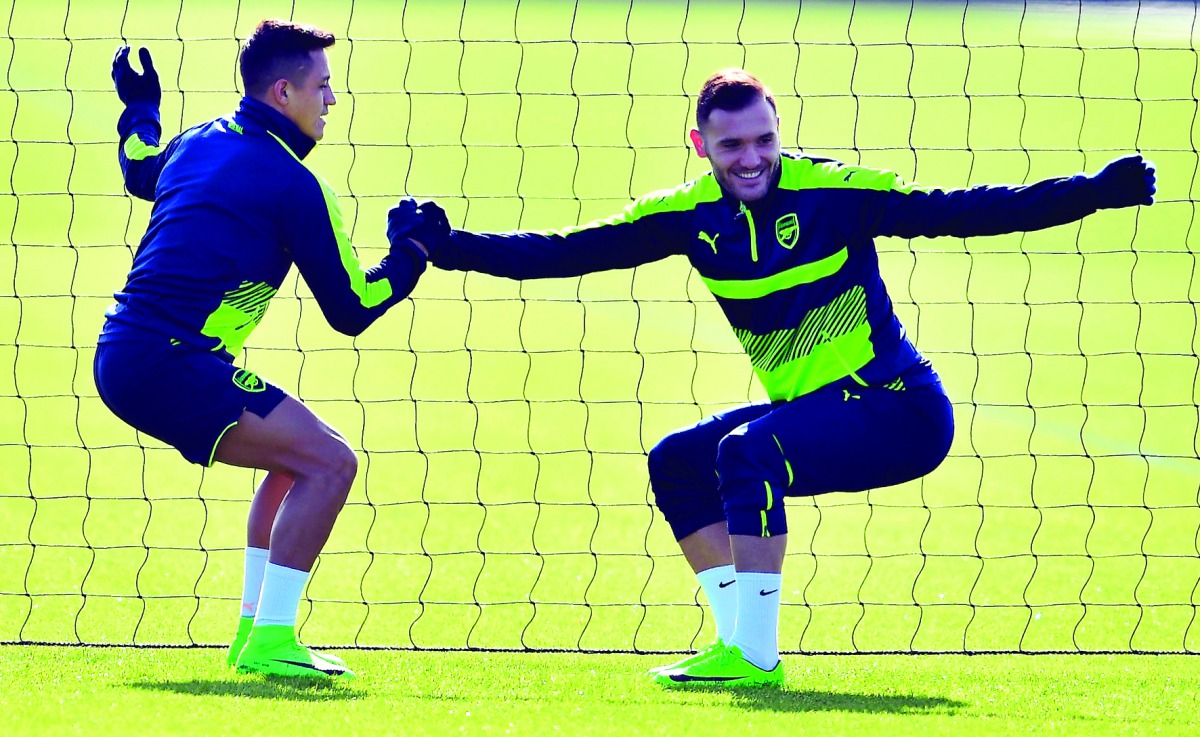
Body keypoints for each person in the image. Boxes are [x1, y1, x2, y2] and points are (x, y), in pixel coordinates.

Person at [391, 68, 1156, 688]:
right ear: (700, 145)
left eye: (762, 138)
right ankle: (736, 642)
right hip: (827, 406)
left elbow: (966, 211)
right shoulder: (686, 217)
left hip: (897, 407)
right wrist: (444, 246)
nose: (750, 157)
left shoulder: (834, 194)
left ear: (778, 131)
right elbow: (561, 253)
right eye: (731, 146)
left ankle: (756, 657)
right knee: (678, 460)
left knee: (747, 452)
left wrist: (1093, 190)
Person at [98, 20, 430, 679]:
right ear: (283, 93)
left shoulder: (198, 140)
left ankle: (254, 629)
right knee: (331, 463)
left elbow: (141, 167)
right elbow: (353, 308)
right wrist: (412, 256)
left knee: (297, 460)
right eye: (322, 87)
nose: (332, 100)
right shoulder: (295, 186)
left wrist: (140, 109)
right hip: (167, 361)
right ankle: (274, 637)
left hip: (130, 352)